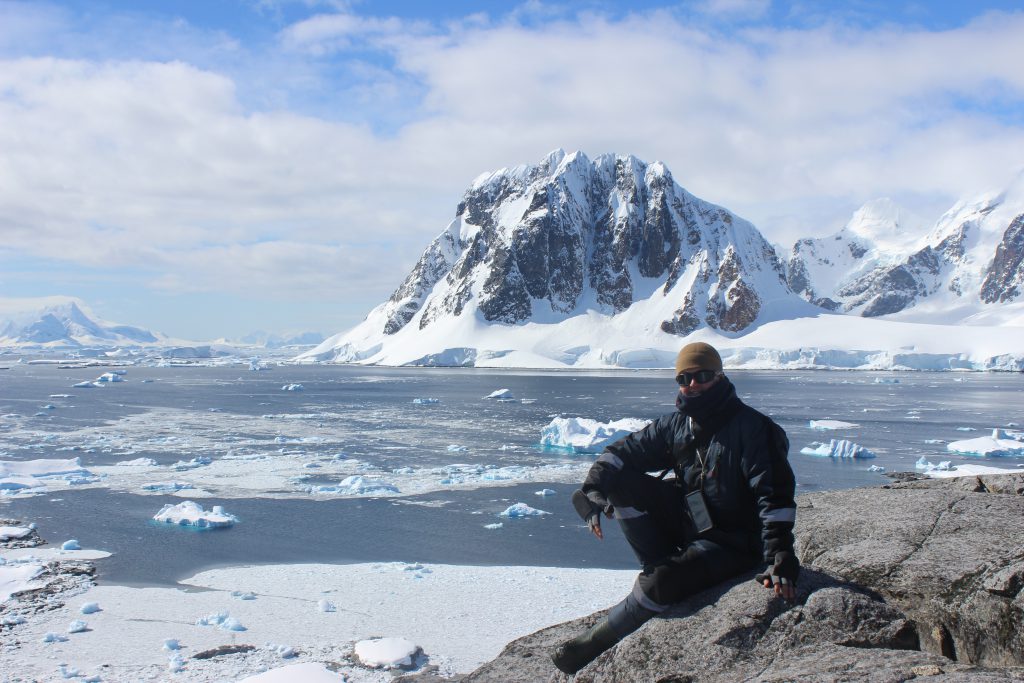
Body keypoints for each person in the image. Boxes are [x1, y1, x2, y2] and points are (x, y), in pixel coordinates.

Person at [551, 342, 799, 675]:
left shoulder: (754, 430)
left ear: (720, 375)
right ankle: (661, 565)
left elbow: (775, 496)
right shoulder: (677, 425)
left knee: (661, 584)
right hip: (692, 523)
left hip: (733, 543)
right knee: (621, 480)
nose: (693, 385)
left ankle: (594, 643)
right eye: (684, 378)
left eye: (702, 376)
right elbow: (621, 453)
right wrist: (593, 489)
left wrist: (779, 557)